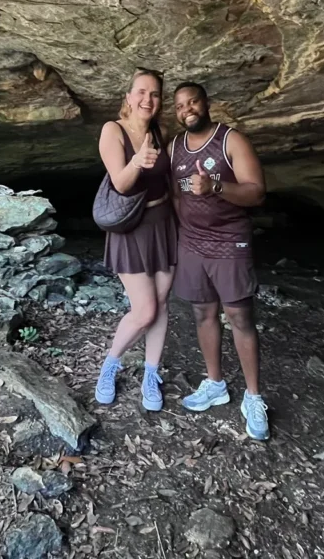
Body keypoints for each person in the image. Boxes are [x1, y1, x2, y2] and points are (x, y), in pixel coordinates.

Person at [169, 81, 270, 440]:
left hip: (230, 240)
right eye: (180, 106)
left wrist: (215, 187)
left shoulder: (231, 141)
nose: (187, 109)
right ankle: (215, 383)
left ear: (206, 103)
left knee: (240, 316)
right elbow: (176, 197)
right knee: (202, 312)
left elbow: (256, 192)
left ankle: (254, 396)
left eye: (192, 101)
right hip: (193, 243)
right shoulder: (174, 149)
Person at [94, 69, 177, 412]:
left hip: (164, 224)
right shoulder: (112, 131)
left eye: (155, 94)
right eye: (141, 92)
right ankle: (110, 365)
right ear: (128, 97)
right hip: (132, 228)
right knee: (144, 310)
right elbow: (122, 183)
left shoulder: (162, 132)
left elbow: (172, 181)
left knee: (161, 305)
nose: (148, 99)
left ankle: (150, 373)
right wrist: (138, 161)